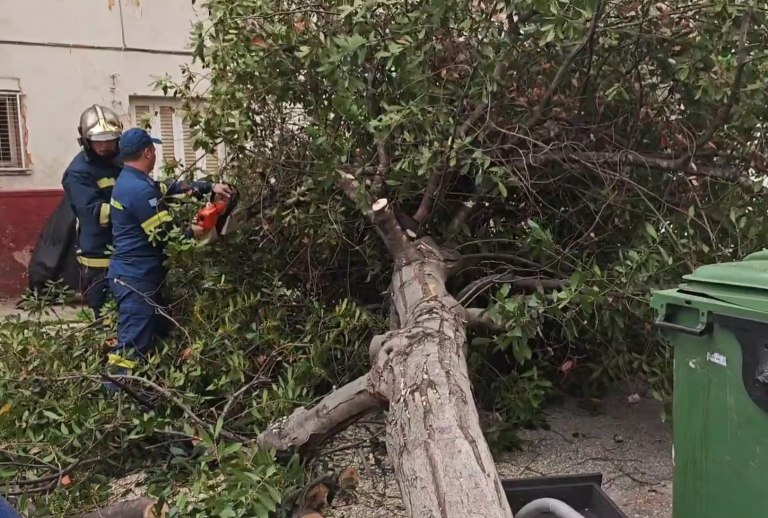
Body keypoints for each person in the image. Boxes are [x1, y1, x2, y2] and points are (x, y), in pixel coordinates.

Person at [106, 128, 231, 374]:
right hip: (136, 280)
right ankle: (117, 396)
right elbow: (164, 237)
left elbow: (169, 186)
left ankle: (150, 390)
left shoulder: (132, 180)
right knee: (130, 349)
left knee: (158, 332)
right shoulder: (140, 191)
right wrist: (195, 231)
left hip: (138, 275)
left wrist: (208, 188)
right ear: (148, 152)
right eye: (153, 150)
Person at [61, 105, 123, 320]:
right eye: (99, 140)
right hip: (99, 261)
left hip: (125, 253)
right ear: (86, 140)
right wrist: (138, 212)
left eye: (110, 139)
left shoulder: (120, 162)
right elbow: (96, 215)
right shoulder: (79, 172)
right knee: (107, 320)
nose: (105, 145)